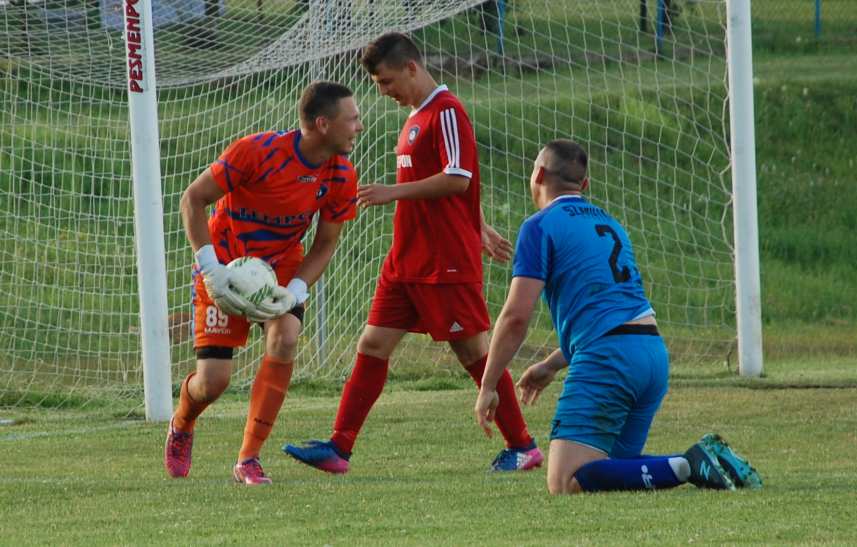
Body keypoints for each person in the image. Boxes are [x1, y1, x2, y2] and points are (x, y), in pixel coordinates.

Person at [283, 32, 543, 474]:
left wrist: (393, 193)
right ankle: (338, 448)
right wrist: (478, 224)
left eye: (386, 82)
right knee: (373, 343)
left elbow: (458, 178)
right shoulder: (416, 116)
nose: (383, 93)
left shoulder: (447, 112)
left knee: (472, 351)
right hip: (407, 259)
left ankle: (523, 446)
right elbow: (457, 182)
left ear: (411, 68)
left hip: (444, 259)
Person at [473, 139, 763, 494]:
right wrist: (551, 364)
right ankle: (705, 464)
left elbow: (516, 316)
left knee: (564, 480)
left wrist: (488, 384)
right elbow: (614, 314)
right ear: (585, 185)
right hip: (650, 354)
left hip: (609, 360)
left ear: (537, 174)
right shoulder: (611, 224)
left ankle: (693, 463)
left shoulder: (540, 225)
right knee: (609, 471)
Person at [164, 81, 363, 486]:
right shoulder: (258, 151)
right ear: (322, 124)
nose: (359, 126)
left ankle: (248, 459)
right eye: (353, 118)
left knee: (285, 338)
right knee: (213, 383)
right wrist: (211, 269)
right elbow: (193, 199)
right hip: (223, 266)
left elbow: (325, 244)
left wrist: (297, 290)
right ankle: (182, 422)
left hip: (280, 270)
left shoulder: (341, 174)